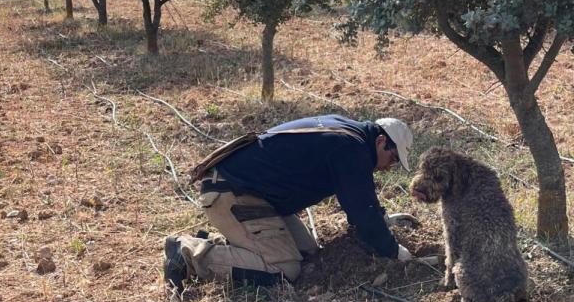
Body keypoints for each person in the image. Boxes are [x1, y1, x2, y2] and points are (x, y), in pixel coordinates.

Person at [163, 114, 417, 292]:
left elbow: (360, 200)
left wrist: (379, 220)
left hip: (257, 196)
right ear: (382, 142)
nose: (387, 168)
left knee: (308, 254)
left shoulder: (349, 135)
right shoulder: (352, 149)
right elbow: (363, 212)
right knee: (284, 269)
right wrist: (394, 251)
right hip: (231, 191)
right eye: (393, 159)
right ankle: (188, 254)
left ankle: (239, 246)